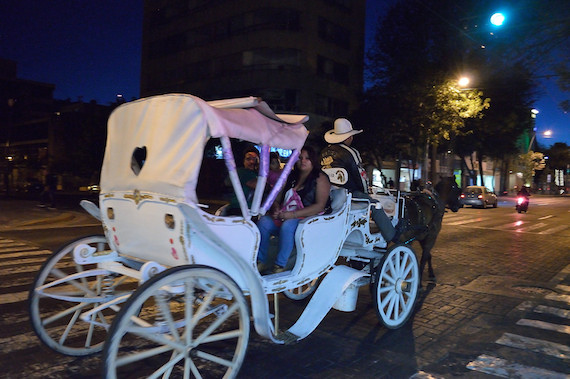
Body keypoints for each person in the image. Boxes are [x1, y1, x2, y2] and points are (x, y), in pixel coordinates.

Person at [320, 118, 400, 243]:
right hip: (348, 195)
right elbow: (360, 176)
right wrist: (365, 192)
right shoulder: (350, 152)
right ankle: (392, 236)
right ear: (348, 138)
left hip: (326, 195)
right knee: (375, 205)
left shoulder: (324, 152)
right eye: (351, 136)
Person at [257, 146, 331, 274]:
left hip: (309, 220)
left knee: (288, 225)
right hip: (286, 215)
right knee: (263, 222)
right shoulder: (291, 176)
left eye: (307, 158)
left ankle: (280, 265)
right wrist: (275, 208)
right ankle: (261, 261)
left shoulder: (320, 178)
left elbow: (320, 206)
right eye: (300, 158)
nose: (303, 161)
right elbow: (277, 198)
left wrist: (292, 214)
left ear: (313, 160)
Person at [226, 146, 259, 216]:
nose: (252, 162)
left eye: (254, 159)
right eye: (248, 159)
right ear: (243, 161)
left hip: (252, 210)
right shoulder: (241, 172)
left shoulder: (256, 173)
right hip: (239, 209)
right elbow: (258, 186)